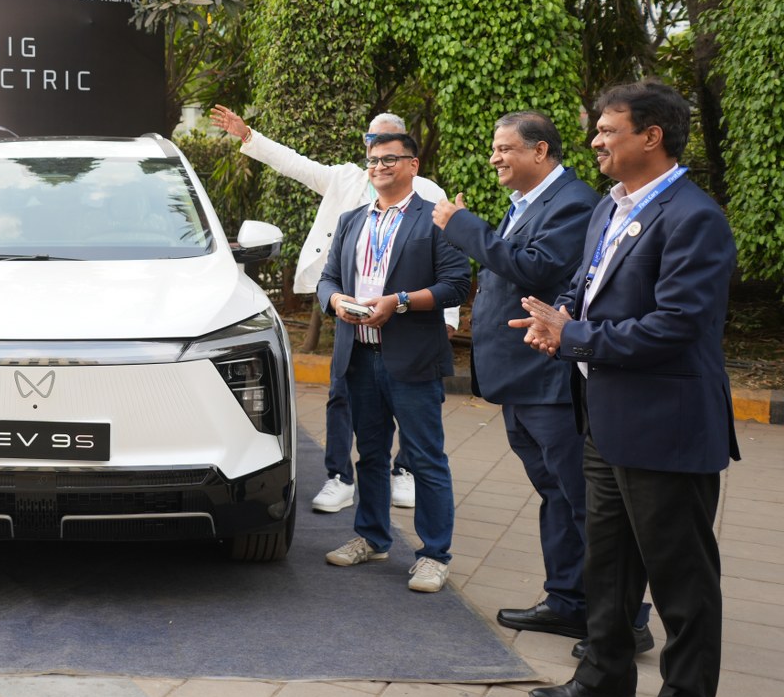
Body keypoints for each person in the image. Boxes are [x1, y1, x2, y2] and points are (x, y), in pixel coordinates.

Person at [517, 82, 738, 697]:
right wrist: (557, 318)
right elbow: (586, 287)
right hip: (606, 419)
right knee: (607, 565)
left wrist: (576, 337)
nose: (595, 142)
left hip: (666, 426)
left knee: (681, 581)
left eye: (608, 130)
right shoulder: (611, 207)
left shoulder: (694, 217)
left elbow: (676, 325)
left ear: (652, 136)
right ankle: (606, 676)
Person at [434, 112, 653, 653]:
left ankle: (625, 621)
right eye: (494, 148)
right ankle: (568, 600)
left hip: (551, 381)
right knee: (555, 493)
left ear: (540, 151)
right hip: (519, 378)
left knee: (584, 500)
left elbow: (531, 268)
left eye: (505, 148)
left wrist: (461, 226)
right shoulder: (526, 203)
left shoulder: (573, 202)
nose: (494, 158)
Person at [211, 106, 457, 512]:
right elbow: (295, 164)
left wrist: (445, 318)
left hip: (407, 323)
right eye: (371, 144)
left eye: (387, 148)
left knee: (412, 409)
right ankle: (340, 477)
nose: (377, 156)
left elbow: (447, 267)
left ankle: (406, 471)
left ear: (407, 155)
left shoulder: (430, 194)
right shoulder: (347, 180)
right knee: (341, 397)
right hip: (352, 319)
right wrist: (248, 135)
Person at [316, 132, 469, 593]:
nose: (379, 167)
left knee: (425, 458)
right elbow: (327, 279)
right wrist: (336, 301)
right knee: (370, 454)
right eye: (372, 160)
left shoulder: (434, 218)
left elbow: (457, 284)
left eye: (389, 159)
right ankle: (372, 537)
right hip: (359, 356)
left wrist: (399, 301)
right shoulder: (351, 220)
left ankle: (434, 555)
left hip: (413, 359)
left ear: (413, 165)